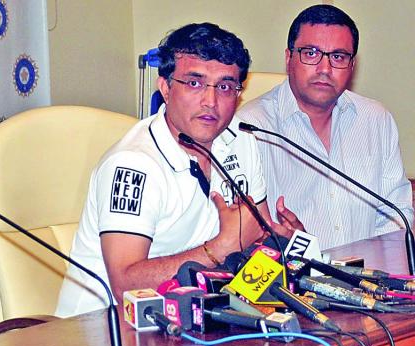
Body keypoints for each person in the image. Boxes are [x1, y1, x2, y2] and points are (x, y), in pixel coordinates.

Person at [57, 23, 296, 317]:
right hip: (102, 331)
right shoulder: (133, 165)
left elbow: (252, 235)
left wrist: (285, 245)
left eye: (224, 87)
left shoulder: (242, 140)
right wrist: (220, 248)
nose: (210, 101)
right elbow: (124, 285)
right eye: (194, 83)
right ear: (166, 88)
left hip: (190, 316)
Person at [238, 4, 413, 250]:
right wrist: (303, 250)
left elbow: (396, 219)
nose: (325, 69)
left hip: (369, 280)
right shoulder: (251, 128)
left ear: (352, 65)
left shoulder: (376, 119)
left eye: (338, 57)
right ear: (289, 58)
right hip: (292, 281)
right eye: (311, 53)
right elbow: (246, 235)